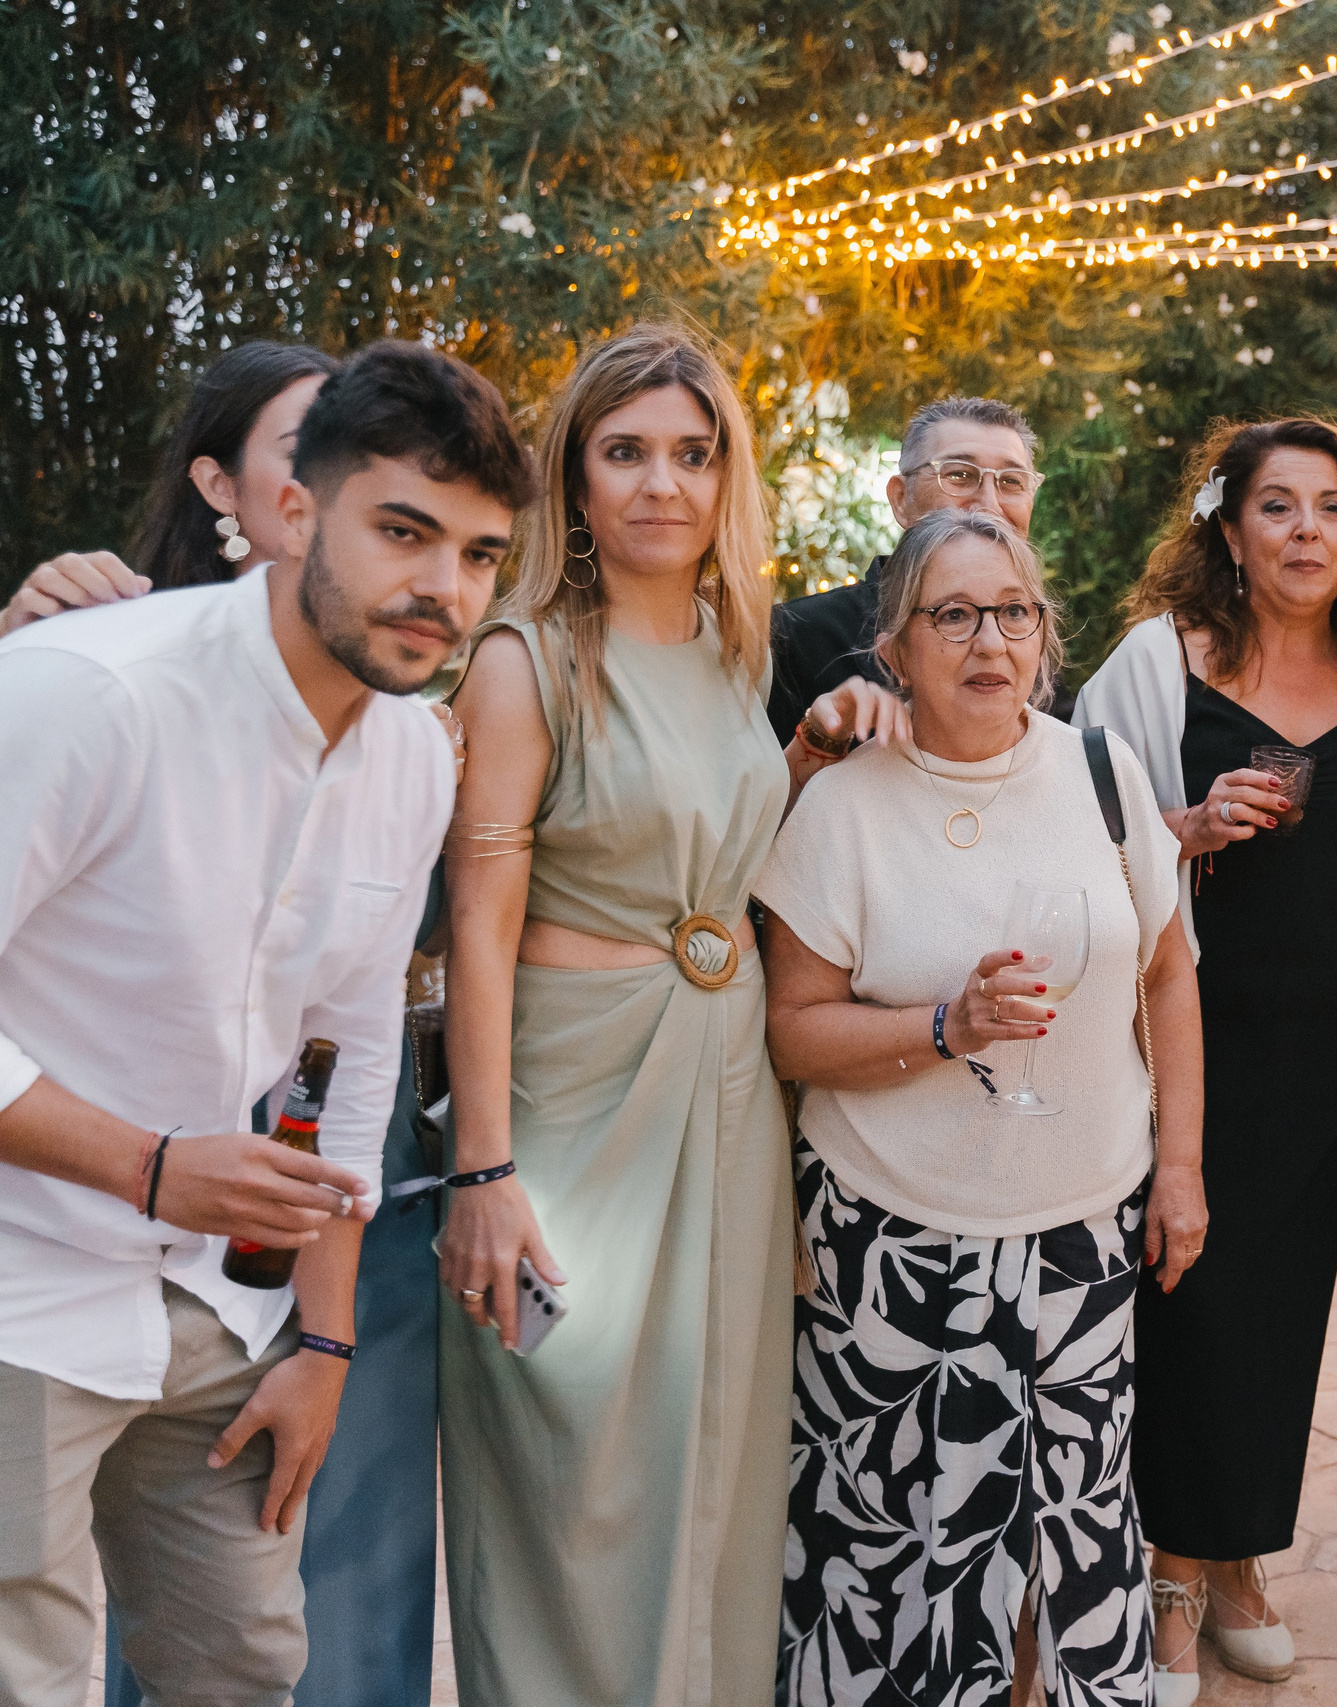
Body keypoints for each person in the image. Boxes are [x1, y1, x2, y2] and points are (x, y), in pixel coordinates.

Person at [0, 339, 532, 1707]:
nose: (443, 588)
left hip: (215, 1315)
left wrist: (326, 1343)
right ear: (292, 511)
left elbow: (344, 1065)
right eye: (404, 531)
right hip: (21, 1286)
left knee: (247, 1665)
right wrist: (153, 1163)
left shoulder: (414, 750)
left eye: (479, 554)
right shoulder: (88, 691)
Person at [758, 507, 1206, 1706]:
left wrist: (1181, 1168)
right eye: (951, 614)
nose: (988, 640)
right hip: (887, 1241)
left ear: (1044, 635)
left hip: (1081, 1231)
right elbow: (790, 1027)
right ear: (892, 648)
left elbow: (1166, 970)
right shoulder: (844, 804)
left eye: (1012, 611)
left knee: (1076, 1531)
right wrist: (940, 1029)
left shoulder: (1102, 773)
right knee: (892, 1545)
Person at [436, 322, 798, 1706]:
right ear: (574, 477)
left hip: (725, 1083)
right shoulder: (524, 658)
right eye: (626, 452)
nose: (663, 484)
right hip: (570, 1096)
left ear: (727, 479)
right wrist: (483, 1164)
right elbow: (478, 921)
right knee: (575, 1453)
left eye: (694, 455)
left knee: (716, 1440)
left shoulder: (732, 646)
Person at [1073, 419, 1337, 1703]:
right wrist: (1183, 827)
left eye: (1328, 509)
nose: (1303, 533)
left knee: (1284, 1303)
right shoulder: (1158, 664)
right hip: (1186, 1025)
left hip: (1334, 1034)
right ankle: (1169, 1576)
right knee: (1187, 1289)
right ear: (1227, 531)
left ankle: (1236, 1562)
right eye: (1275, 508)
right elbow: (1073, 844)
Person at [2, 341, 342, 634]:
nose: (340, 480)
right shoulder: (134, 643)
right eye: (303, 453)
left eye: (352, 456)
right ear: (219, 486)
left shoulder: (386, 656)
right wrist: (19, 641)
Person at [767, 394, 1043, 745]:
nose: (989, 504)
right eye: (959, 475)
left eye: (1011, 481)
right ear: (900, 498)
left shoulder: (1029, 638)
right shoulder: (798, 639)